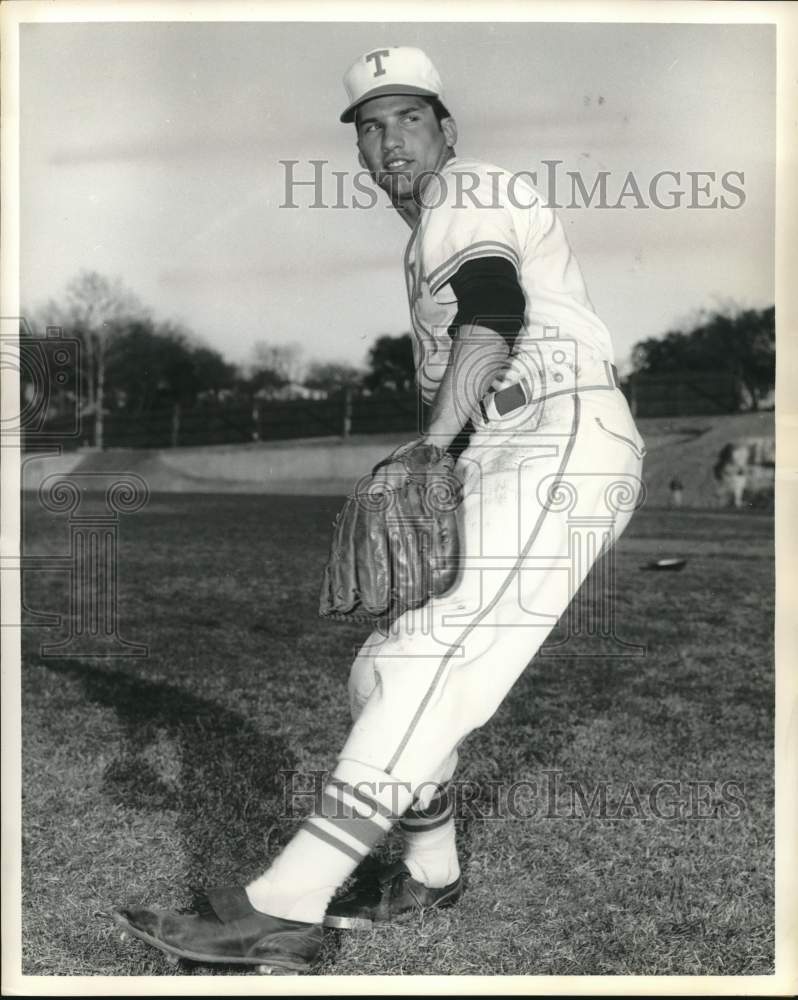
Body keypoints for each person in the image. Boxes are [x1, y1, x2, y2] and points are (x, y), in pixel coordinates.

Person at [113, 46, 646, 974]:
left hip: (561, 435)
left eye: (409, 117)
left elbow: (492, 313)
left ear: (447, 129)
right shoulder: (423, 238)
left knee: (429, 660)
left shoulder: (467, 188)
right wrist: (454, 451)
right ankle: (431, 871)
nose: (391, 138)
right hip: (513, 445)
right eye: (371, 125)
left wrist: (431, 450)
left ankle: (284, 904)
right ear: (358, 150)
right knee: (378, 674)